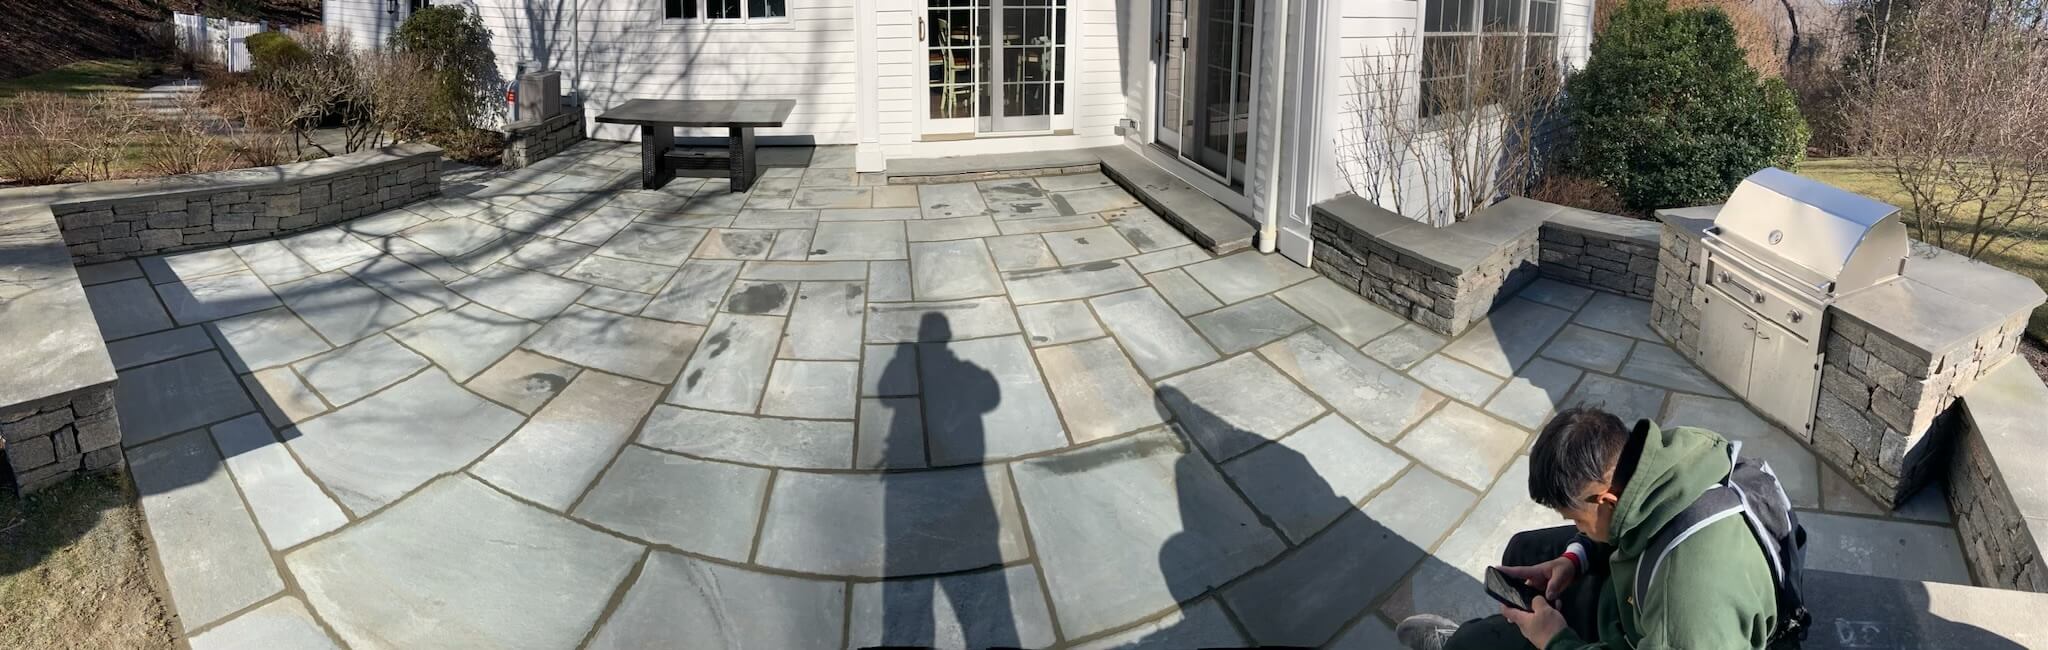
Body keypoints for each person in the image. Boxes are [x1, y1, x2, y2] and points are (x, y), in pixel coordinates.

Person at [1397, 407, 1780, 650]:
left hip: (1650, 623)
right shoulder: (1659, 465)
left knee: (1490, 640)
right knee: (1524, 553)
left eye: (1577, 518)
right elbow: (1638, 520)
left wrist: (1556, 640)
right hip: (1636, 590)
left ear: (1606, 500)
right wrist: (1574, 558)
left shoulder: (1686, 604)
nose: (1576, 526)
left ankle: (1462, 643)